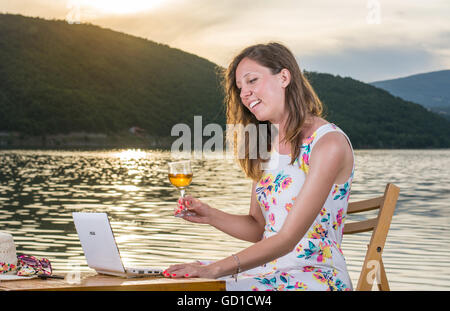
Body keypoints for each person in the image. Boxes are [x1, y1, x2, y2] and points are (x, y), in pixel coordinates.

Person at [164, 42, 355, 291]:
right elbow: (258, 228)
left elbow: (287, 240)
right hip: (268, 272)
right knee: (174, 284)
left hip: (315, 277)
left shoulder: (328, 143)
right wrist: (210, 214)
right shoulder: (266, 149)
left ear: (284, 77)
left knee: (206, 288)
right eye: (240, 88)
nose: (244, 94)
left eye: (252, 80)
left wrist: (215, 268)